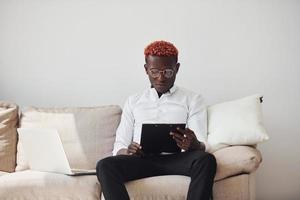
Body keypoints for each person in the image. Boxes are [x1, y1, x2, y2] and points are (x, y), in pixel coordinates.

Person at [96, 40, 217, 200]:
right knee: (105, 165)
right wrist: (128, 151)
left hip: (177, 160)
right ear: (146, 70)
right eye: (154, 71)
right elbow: (120, 144)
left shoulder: (193, 99)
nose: (161, 78)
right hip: (142, 160)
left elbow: (201, 142)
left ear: (177, 69)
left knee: (206, 160)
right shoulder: (134, 101)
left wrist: (195, 145)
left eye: (167, 72)